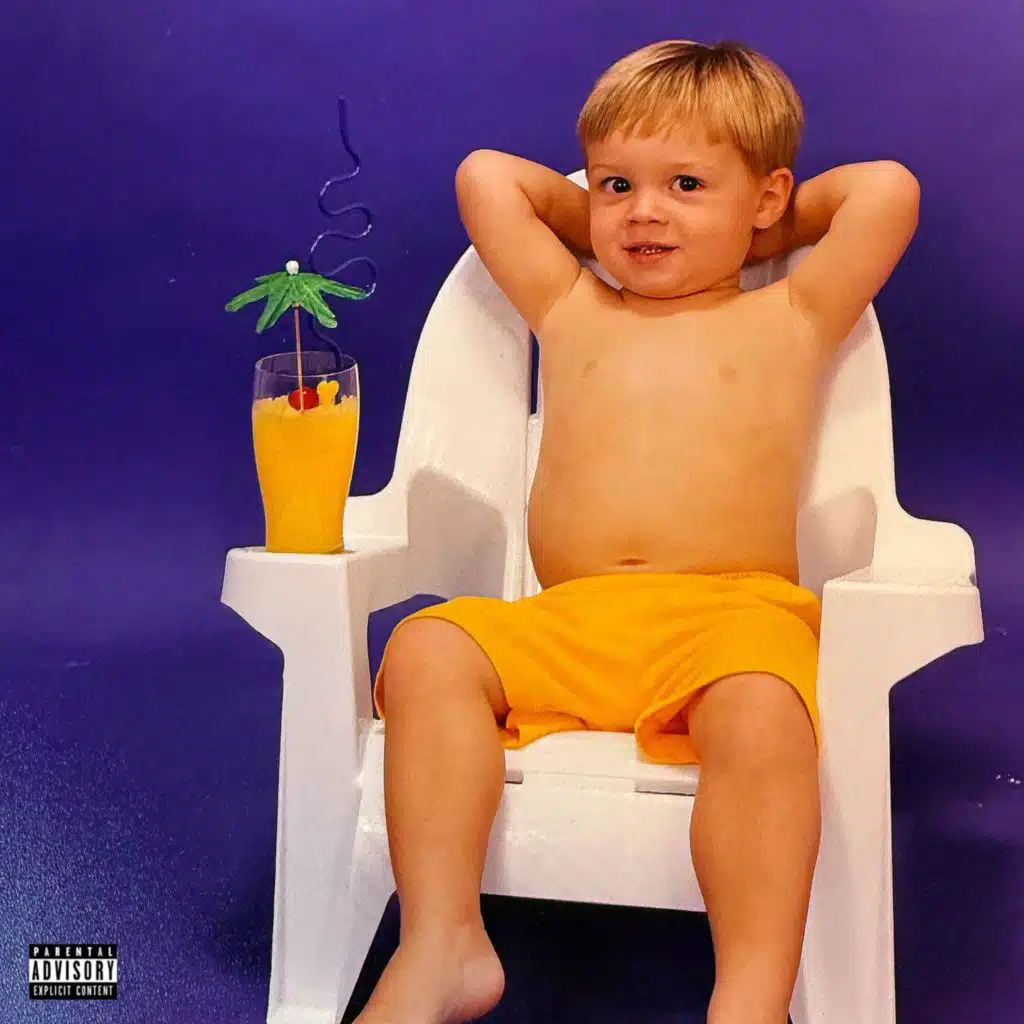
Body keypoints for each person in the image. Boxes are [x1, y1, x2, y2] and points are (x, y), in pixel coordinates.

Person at [354, 39, 919, 1024]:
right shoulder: (572, 308)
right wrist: (632, 211)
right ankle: (441, 940)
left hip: (727, 623)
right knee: (425, 648)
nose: (642, 211)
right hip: (570, 618)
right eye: (616, 185)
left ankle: (750, 997)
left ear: (767, 198)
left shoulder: (793, 314)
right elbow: (486, 179)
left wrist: (752, 227)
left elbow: (885, 191)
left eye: (684, 185)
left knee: (766, 711)